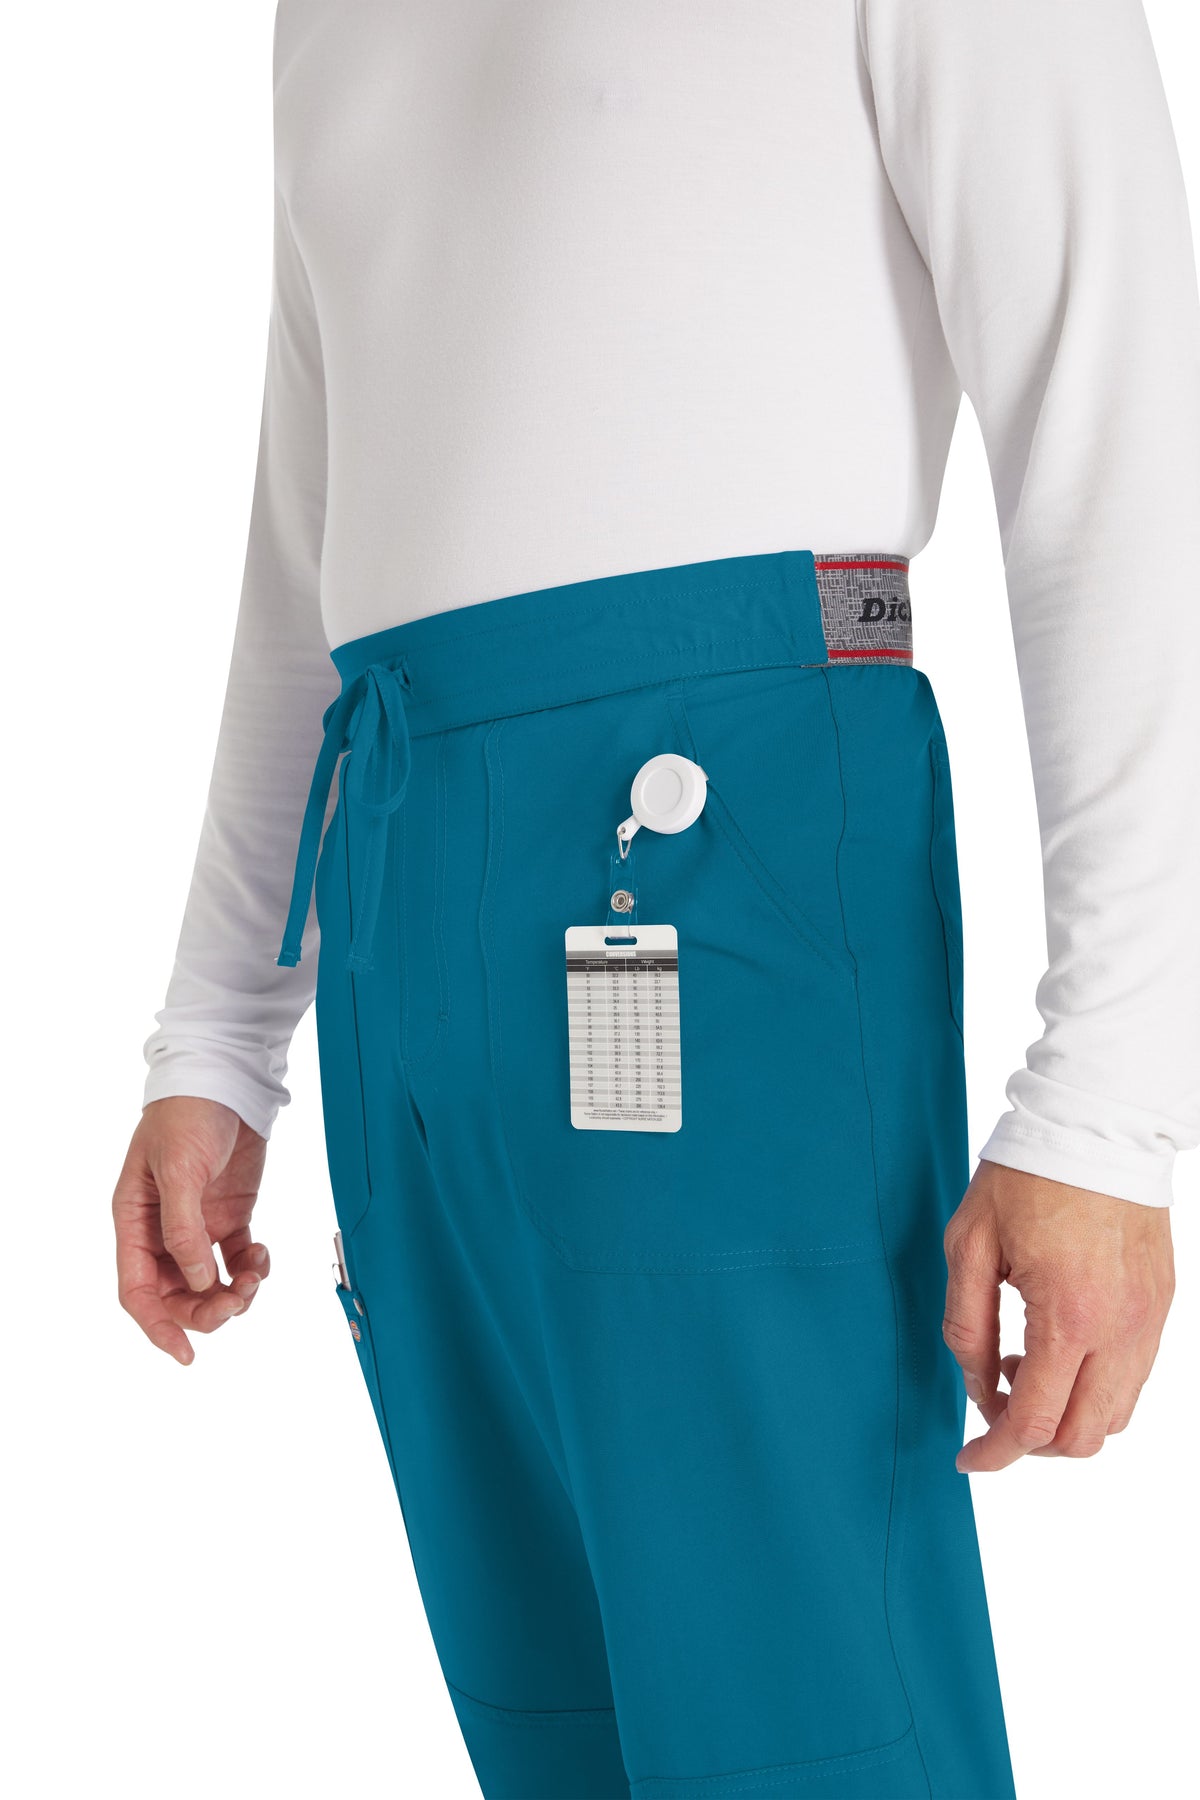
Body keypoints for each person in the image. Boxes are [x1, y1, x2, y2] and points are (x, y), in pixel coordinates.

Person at [111, 4, 1199, 1797]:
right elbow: (305, 537)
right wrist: (221, 1030)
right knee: (552, 1719)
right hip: (394, 861)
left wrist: (1110, 1103)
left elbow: (1122, 422)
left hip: (714, 841)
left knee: (814, 1720)